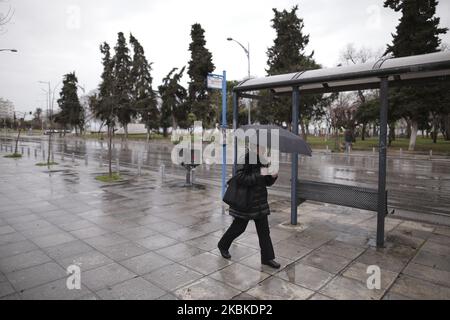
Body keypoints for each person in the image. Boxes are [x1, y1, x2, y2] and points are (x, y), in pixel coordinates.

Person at [218, 146, 280, 269]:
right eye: (259, 147)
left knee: (264, 232)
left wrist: (272, 176)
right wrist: (260, 174)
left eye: (263, 147)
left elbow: (266, 182)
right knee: (238, 228)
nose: (262, 150)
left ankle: (267, 258)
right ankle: (223, 245)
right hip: (246, 202)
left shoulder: (264, 160)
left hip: (260, 201)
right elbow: (240, 178)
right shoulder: (243, 159)